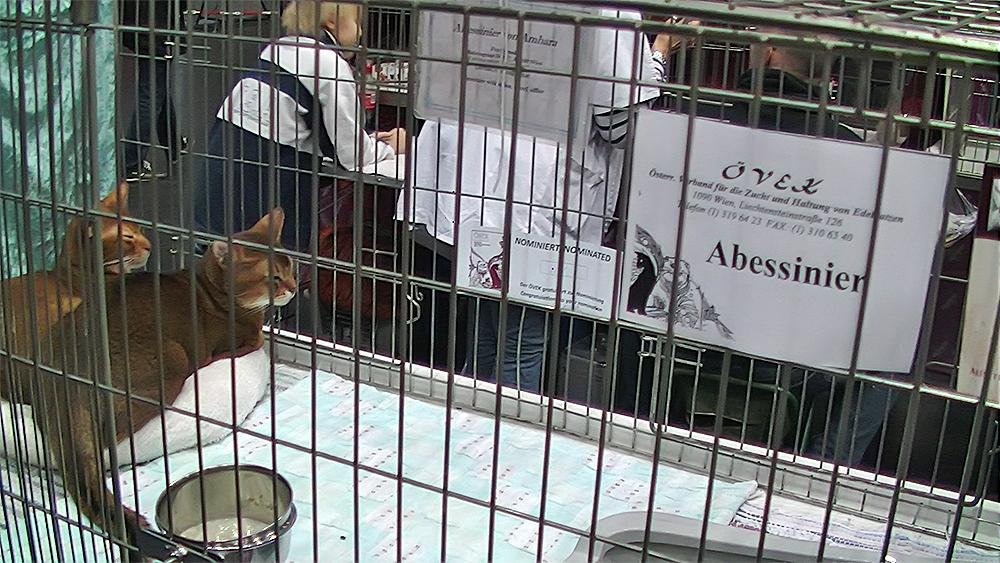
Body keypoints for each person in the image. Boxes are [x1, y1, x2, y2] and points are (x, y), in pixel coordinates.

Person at [402, 10, 660, 393]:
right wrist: (657, 63)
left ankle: (470, 422)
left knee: (486, 331)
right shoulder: (610, 11)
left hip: (473, 175)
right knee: (522, 342)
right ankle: (502, 430)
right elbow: (618, 125)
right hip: (538, 195)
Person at [194, 0, 404, 252]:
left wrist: (368, 139)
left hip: (218, 190)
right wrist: (392, 147)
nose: (360, 32)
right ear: (332, 21)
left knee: (217, 266)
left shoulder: (278, 49)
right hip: (266, 196)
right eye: (358, 22)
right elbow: (352, 155)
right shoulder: (328, 63)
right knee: (270, 263)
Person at [120, 0, 187, 179]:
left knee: (156, 88)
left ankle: (174, 144)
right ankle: (131, 163)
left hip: (138, 24)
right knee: (151, 94)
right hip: (159, 28)